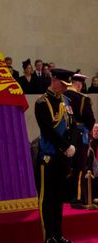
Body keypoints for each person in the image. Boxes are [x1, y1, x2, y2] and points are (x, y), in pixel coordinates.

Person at [35, 68, 77, 243]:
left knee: (59, 199)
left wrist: (71, 146)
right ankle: (49, 237)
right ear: (53, 80)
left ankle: (59, 235)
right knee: (47, 200)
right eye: (63, 83)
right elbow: (47, 129)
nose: (65, 87)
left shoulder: (66, 101)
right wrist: (65, 146)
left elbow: (72, 126)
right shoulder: (42, 102)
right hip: (49, 157)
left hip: (62, 158)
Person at [64, 73, 95, 208]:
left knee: (65, 166)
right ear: (79, 84)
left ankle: (63, 195)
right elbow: (90, 120)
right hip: (79, 136)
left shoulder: (61, 96)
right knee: (79, 167)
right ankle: (77, 197)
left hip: (63, 136)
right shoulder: (83, 98)